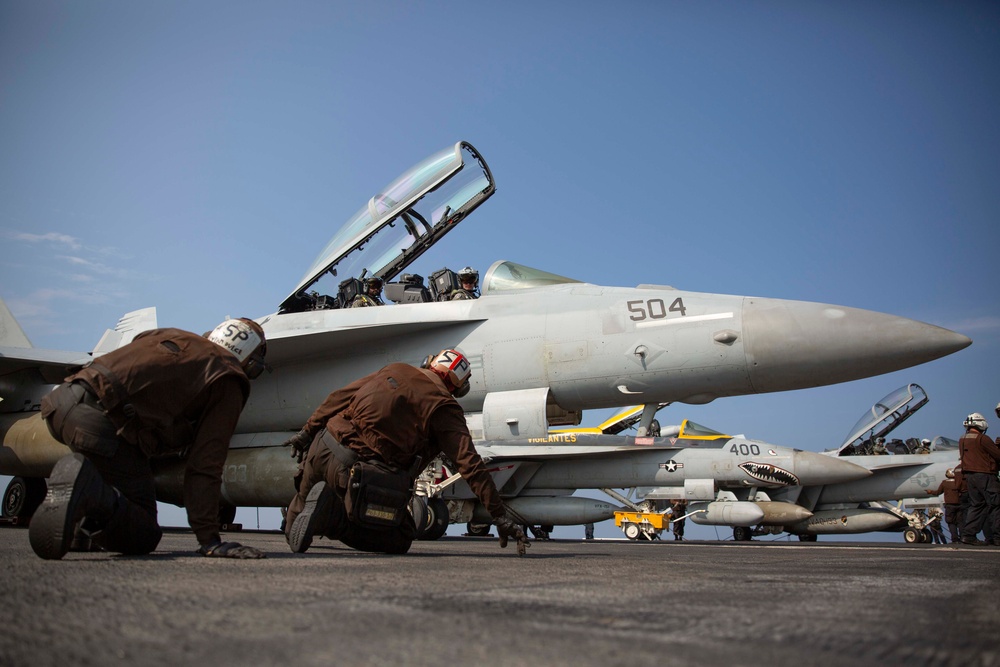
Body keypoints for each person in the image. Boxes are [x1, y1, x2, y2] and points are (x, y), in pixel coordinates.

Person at [29, 319, 269, 560]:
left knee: (120, 465)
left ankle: (81, 529)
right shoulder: (229, 378)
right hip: (101, 425)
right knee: (144, 531)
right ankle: (91, 492)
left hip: (61, 403)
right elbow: (205, 464)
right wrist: (210, 540)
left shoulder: (171, 333)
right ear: (251, 362)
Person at [281, 349, 528, 556]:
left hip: (322, 446)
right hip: (358, 470)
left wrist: (306, 433)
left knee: (294, 530)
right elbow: (470, 465)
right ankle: (332, 518)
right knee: (401, 538)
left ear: (430, 363)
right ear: (458, 386)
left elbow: (339, 397)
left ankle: (310, 512)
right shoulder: (445, 408)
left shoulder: (395, 369)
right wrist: (499, 516)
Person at [957, 412, 1000, 546]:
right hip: (985, 475)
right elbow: (998, 455)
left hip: (970, 477)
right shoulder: (982, 439)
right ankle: (998, 537)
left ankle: (968, 536)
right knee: (996, 505)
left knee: (977, 505)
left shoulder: (962, 439)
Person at [926, 467, 966, 543]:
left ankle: (955, 539)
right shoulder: (959, 482)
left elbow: (937, 492)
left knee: (951, 522)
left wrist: (930, 492)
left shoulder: (945, 483)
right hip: (960, 505)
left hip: (950, 506)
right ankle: (963, 538)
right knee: (960, 522)